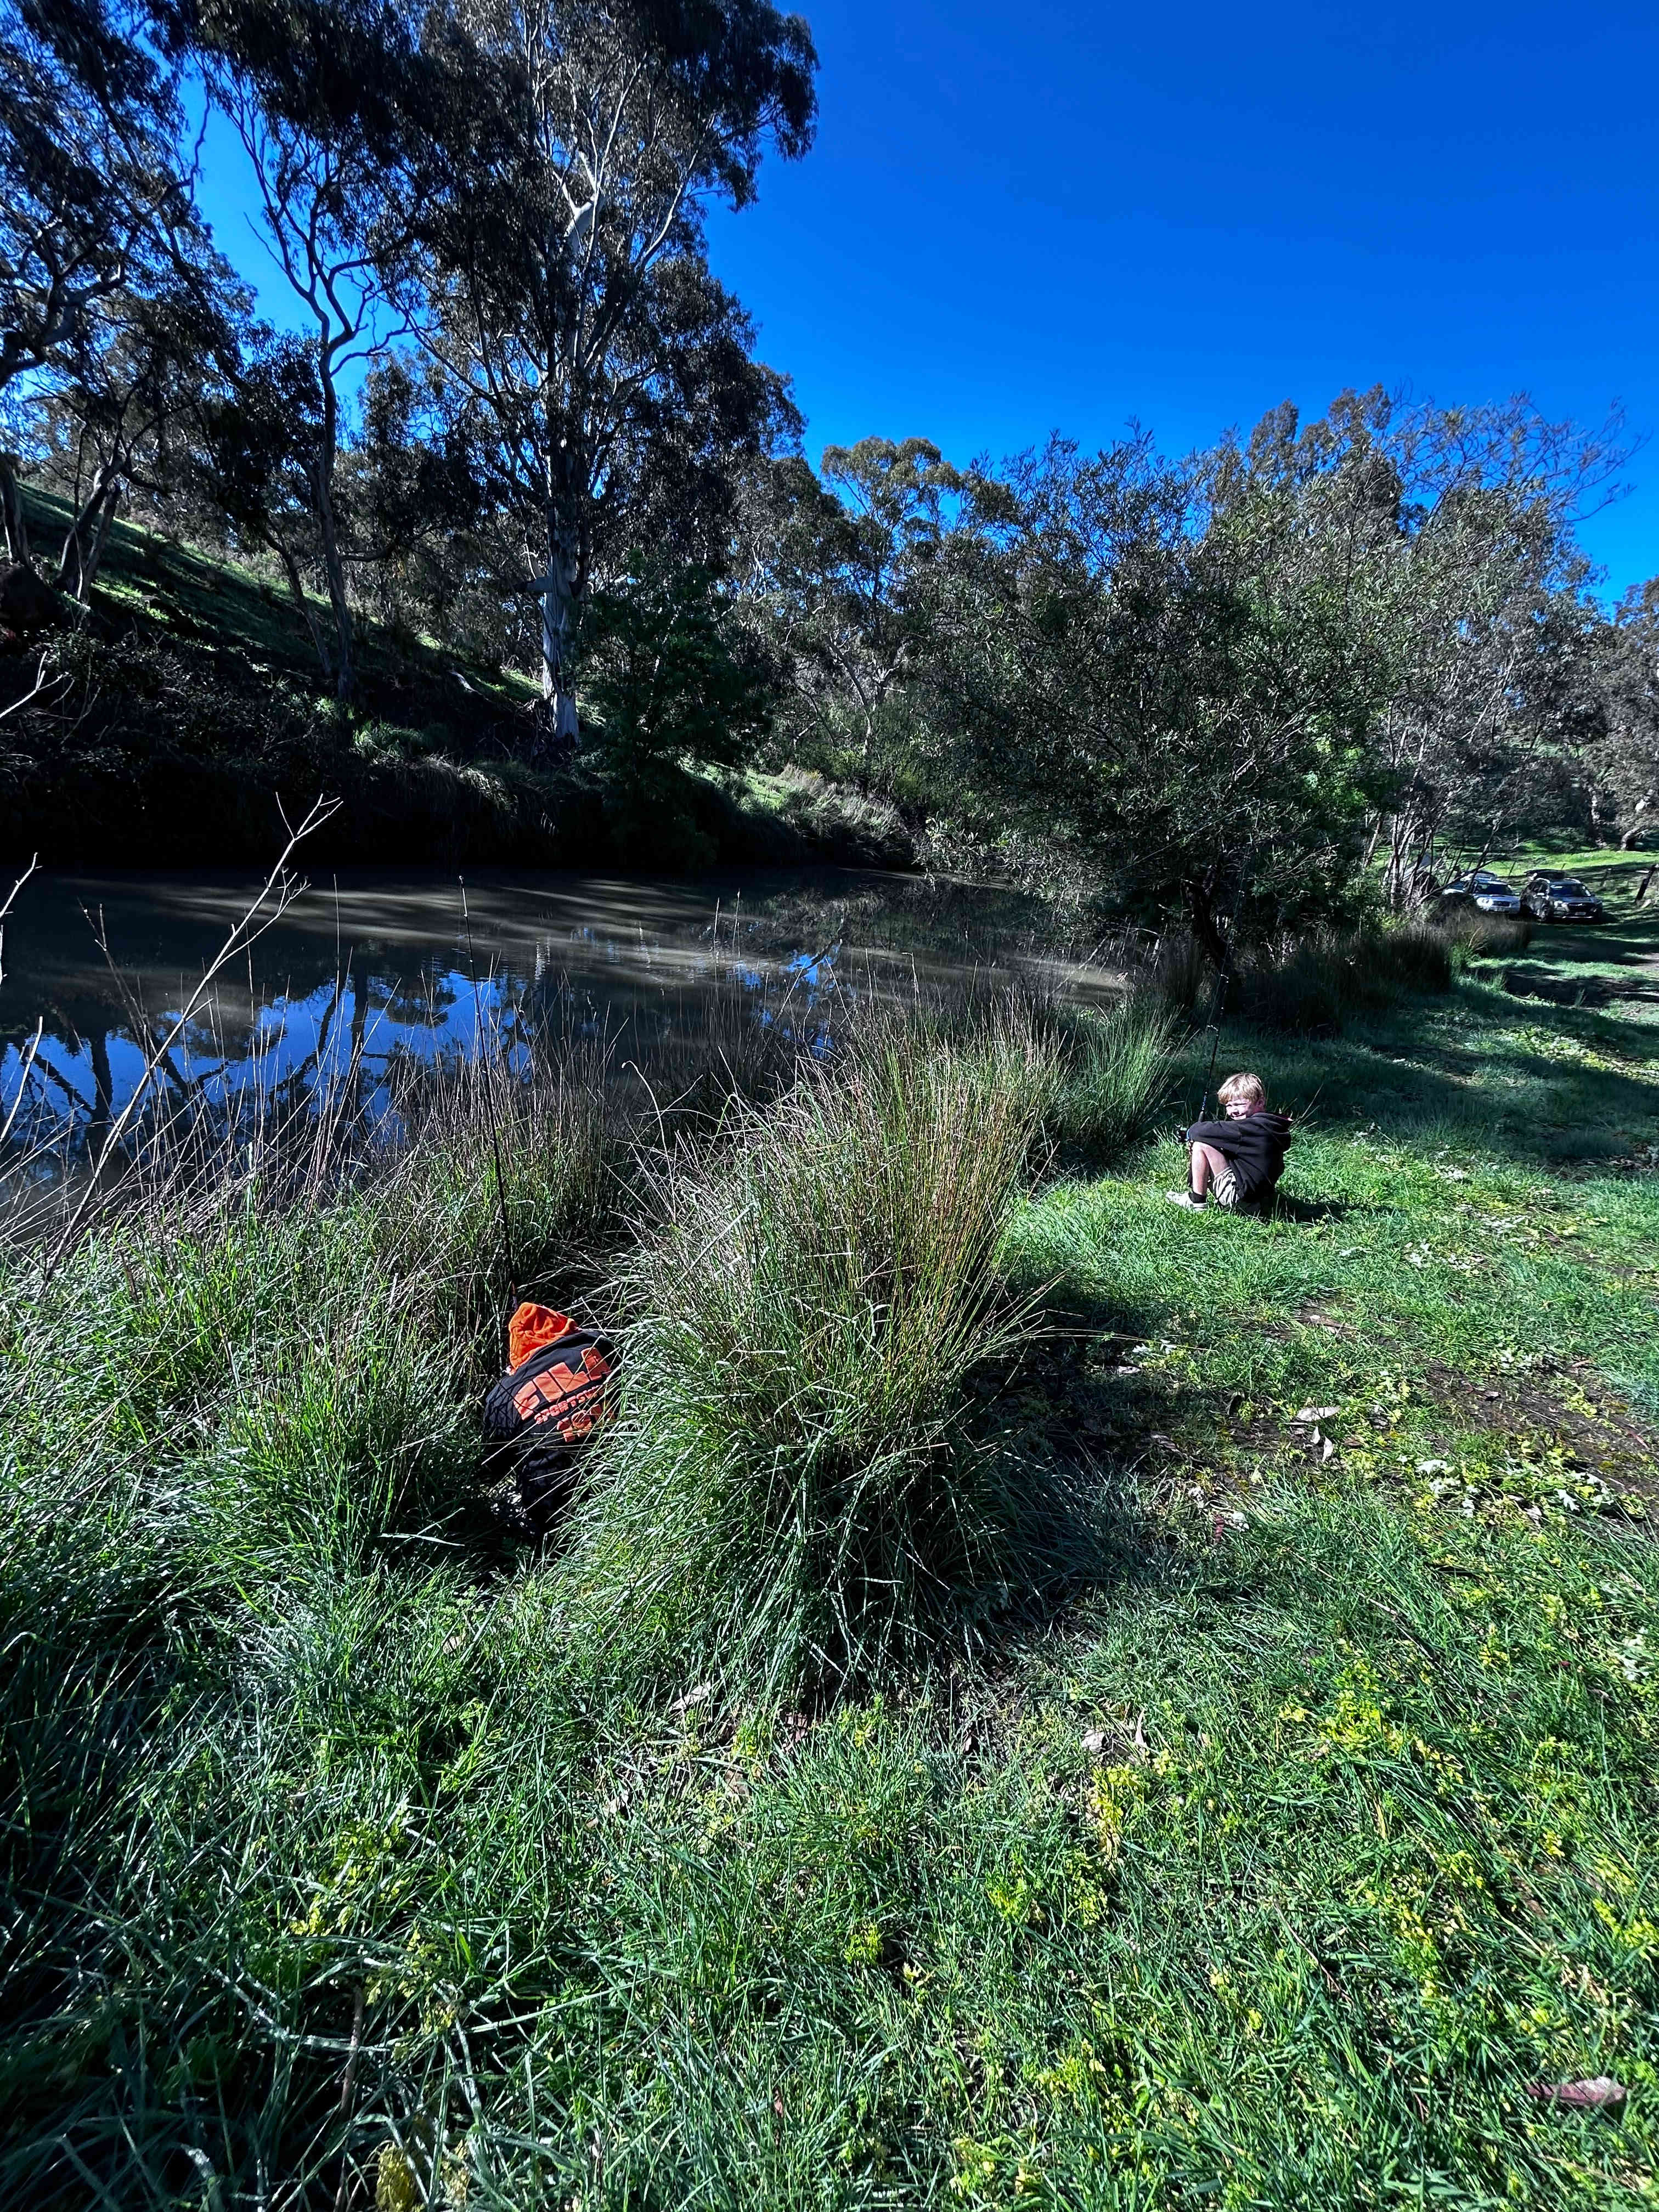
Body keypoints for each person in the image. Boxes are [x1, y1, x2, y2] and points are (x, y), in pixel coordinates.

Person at [1167, 1071, 1291, 1212]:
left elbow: (1199, 1131)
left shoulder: (1250, 1128)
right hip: (1261, 1199)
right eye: (1229, 1106)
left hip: (1240, 1200)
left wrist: (1189, 1134)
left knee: (1201, 1145)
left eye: (1239, 1104)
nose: (1233, 1111)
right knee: (1213, 1144)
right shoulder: (1269, 1126)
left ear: (1260, 1102)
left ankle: (1197, 1202)